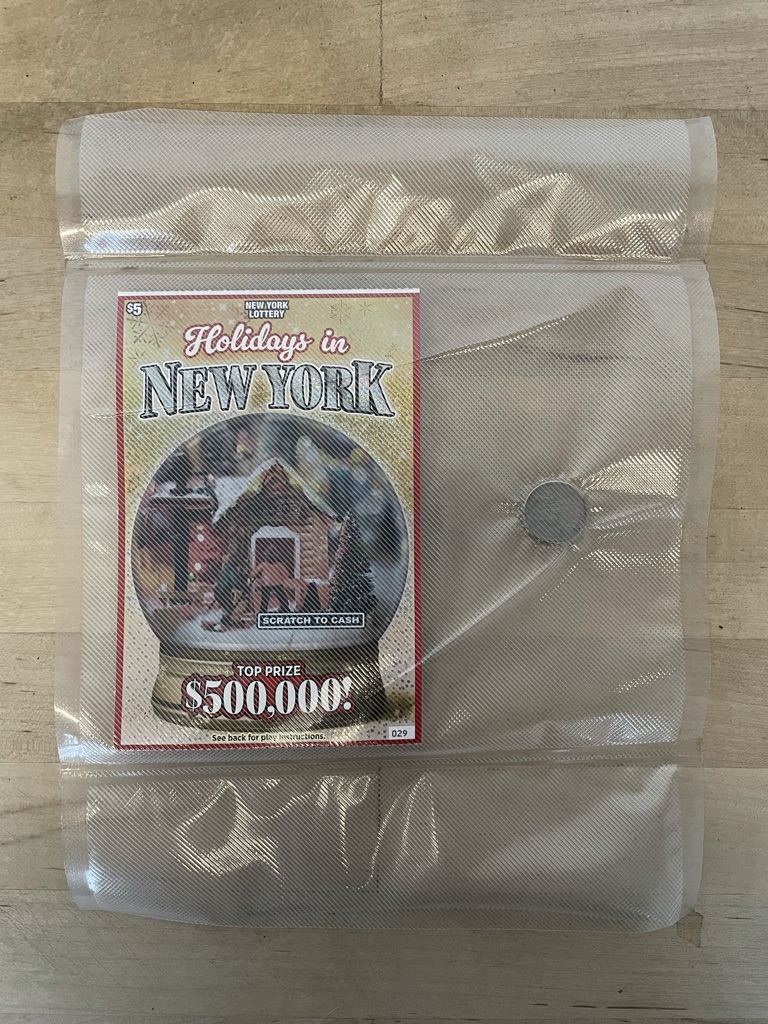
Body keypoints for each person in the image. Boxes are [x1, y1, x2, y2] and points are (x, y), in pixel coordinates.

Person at [213, 547, 247, 629]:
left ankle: (226, 620)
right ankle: (223, 622)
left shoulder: (226, 568)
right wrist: (244, 587)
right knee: (229, 606)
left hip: (219, 591)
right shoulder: (232, 569)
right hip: (223, 591)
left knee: (228, 606)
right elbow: (234, 581)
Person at [252, 543, 291, 614]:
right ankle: (264, 610)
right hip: (269, 584)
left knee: (281, 597)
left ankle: (284, 608)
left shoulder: (277, 565)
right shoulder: (265, 565)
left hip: (275, 584)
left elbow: (286, 574)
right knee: (266, 598)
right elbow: (253, 574)